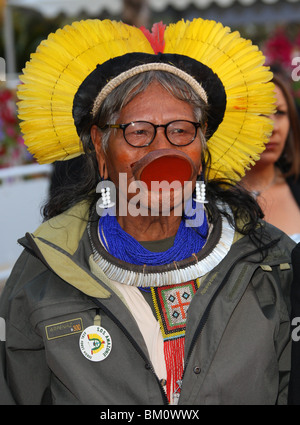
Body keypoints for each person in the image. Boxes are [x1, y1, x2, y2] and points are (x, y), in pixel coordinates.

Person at [0, 18, 295, 405]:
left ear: (202, 148)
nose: (163, 151)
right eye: (138, 131)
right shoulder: (45, 269)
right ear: (100, 148)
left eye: (181, 131)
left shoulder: (270, 260)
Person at [241, 73, 300, 242]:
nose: (272, 127)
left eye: (280, 112)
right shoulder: (205, 195)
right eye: (260, 114)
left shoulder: (296, 185)